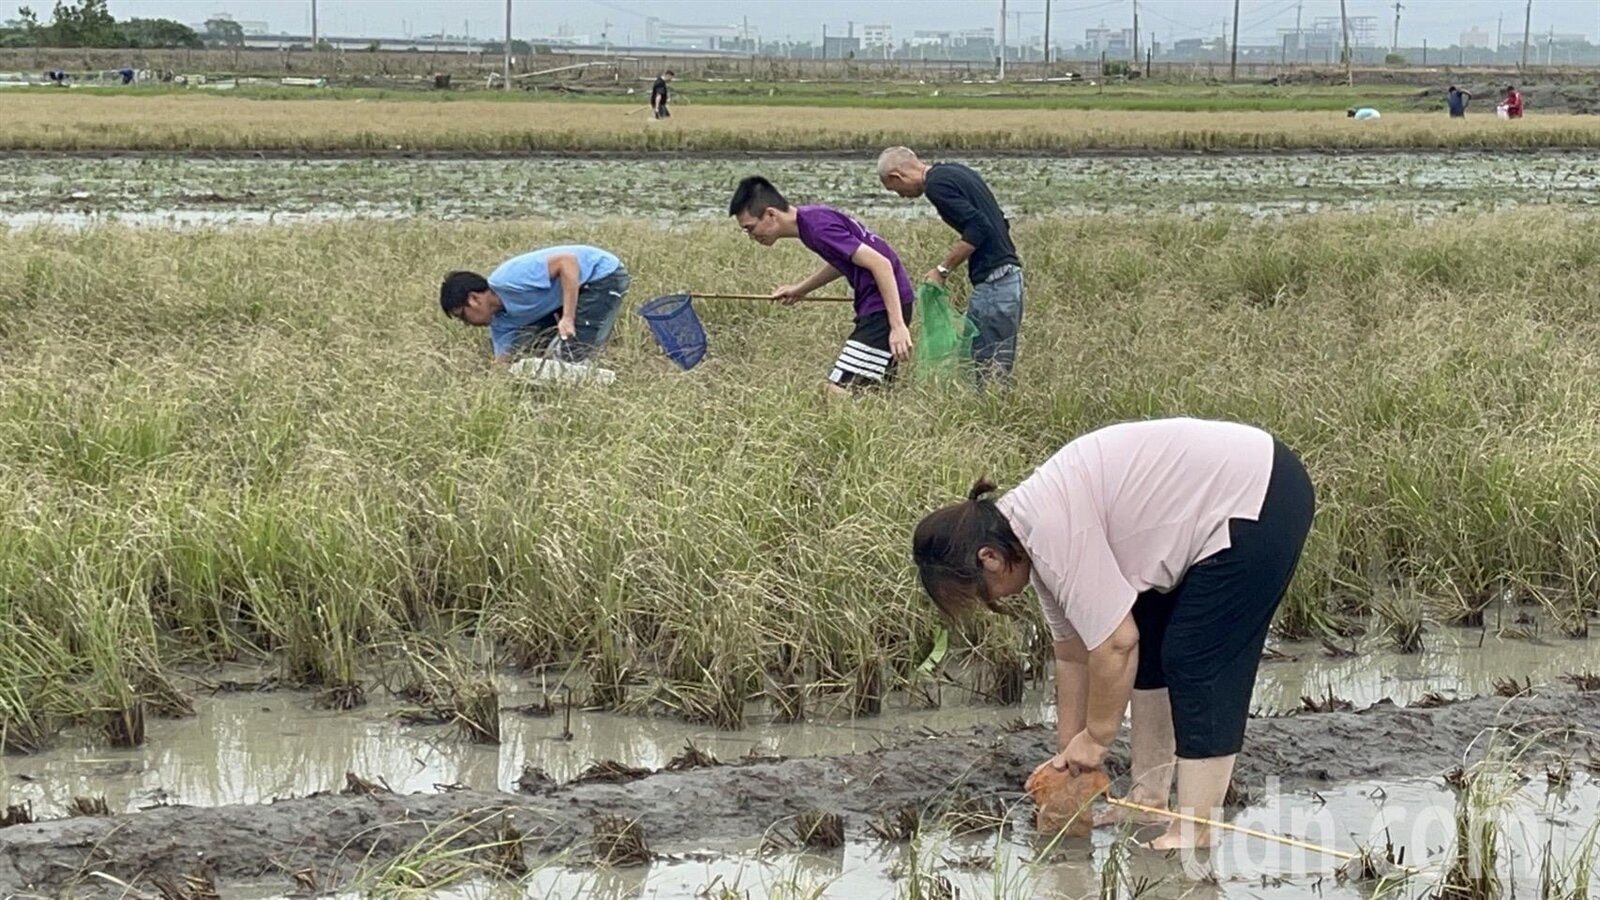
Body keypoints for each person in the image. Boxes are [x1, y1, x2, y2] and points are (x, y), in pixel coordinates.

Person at [911, 417, 1316, 850]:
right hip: (1216, 504)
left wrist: (1097, 738)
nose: (989, 601)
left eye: (979, 592)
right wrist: (1069, 761)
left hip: (1259, 494)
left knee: (1195, 658)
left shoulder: (1049, 528)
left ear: (988, 558)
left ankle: (1195, 830)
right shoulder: (1032, 537)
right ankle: (1147, 801)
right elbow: (1074, 655)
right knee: (1152, 645)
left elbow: (1116, 644)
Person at [728, 175, 914, 395]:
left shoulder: (818, 228)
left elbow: (881, 264)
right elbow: (844, 259)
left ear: (771, 214)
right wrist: (800, 289)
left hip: (882, 307)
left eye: (750, 228)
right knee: (873, 393)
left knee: (834, 391)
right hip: (884, 304)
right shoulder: (811, 219)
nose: (752, 236)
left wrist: (897, 326)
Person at [876, 146, 1024, 384]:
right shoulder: (955, 171)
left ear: (897, 177)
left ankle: (989, 408)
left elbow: (979, 226)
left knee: (986, 368)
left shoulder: (936, 186)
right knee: (998, 364)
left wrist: (942, 270)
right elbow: (999, 219)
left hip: (995, 284)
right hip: (1010, 278)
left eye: (895, 190)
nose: (902, 196)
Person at [439, 245, 630, 364]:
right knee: (535, 350)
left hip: (602, 275)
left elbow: (567, 261)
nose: (466, 323)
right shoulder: (501, 322)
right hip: (569, 292)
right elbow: (503, 360)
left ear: (474, 299)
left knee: (573, 354)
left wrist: (568, 317)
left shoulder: (508, 279)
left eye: (462, 315)